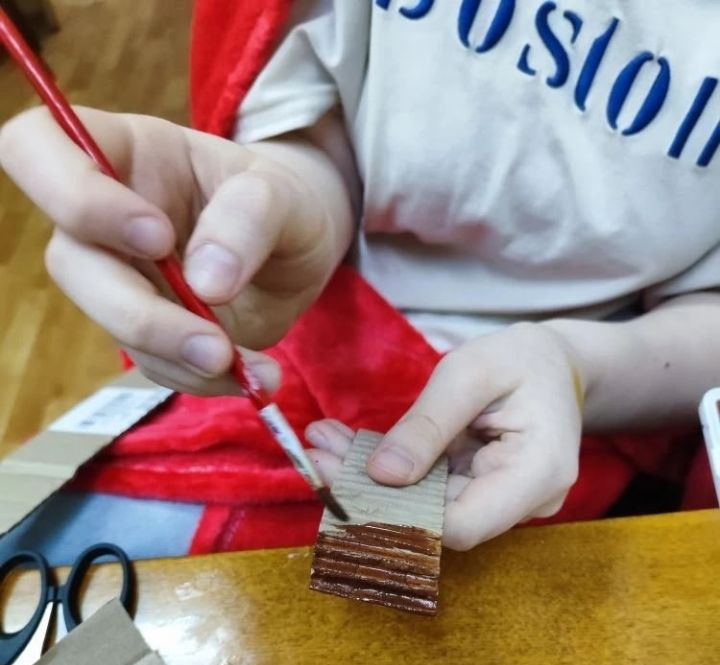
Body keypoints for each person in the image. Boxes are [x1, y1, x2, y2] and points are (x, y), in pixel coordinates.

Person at [1, 0, 719, 551]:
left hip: (560, 428)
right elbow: (325, 121)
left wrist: (575, 369)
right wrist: (285, 200)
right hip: (311, 331)